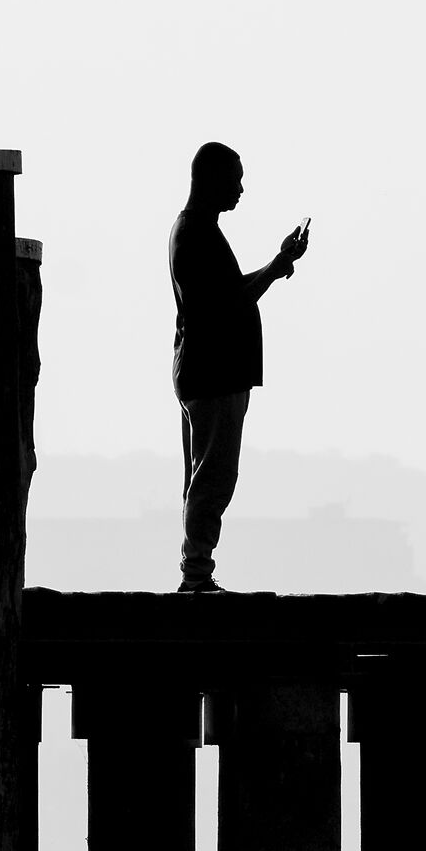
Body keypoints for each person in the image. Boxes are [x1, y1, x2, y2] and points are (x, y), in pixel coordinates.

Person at [170, 141, 309, 592]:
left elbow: (230, 292)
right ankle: (196, 572)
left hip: (207, 371)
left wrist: (277, 263)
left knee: (205, 474)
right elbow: (229, 302)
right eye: (235, 179)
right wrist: (275, 268)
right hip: (213, 374)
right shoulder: (196, 235)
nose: (241, 189)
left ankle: (196, 568)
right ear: (211, 179)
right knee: (213, 475)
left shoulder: (196, 231)